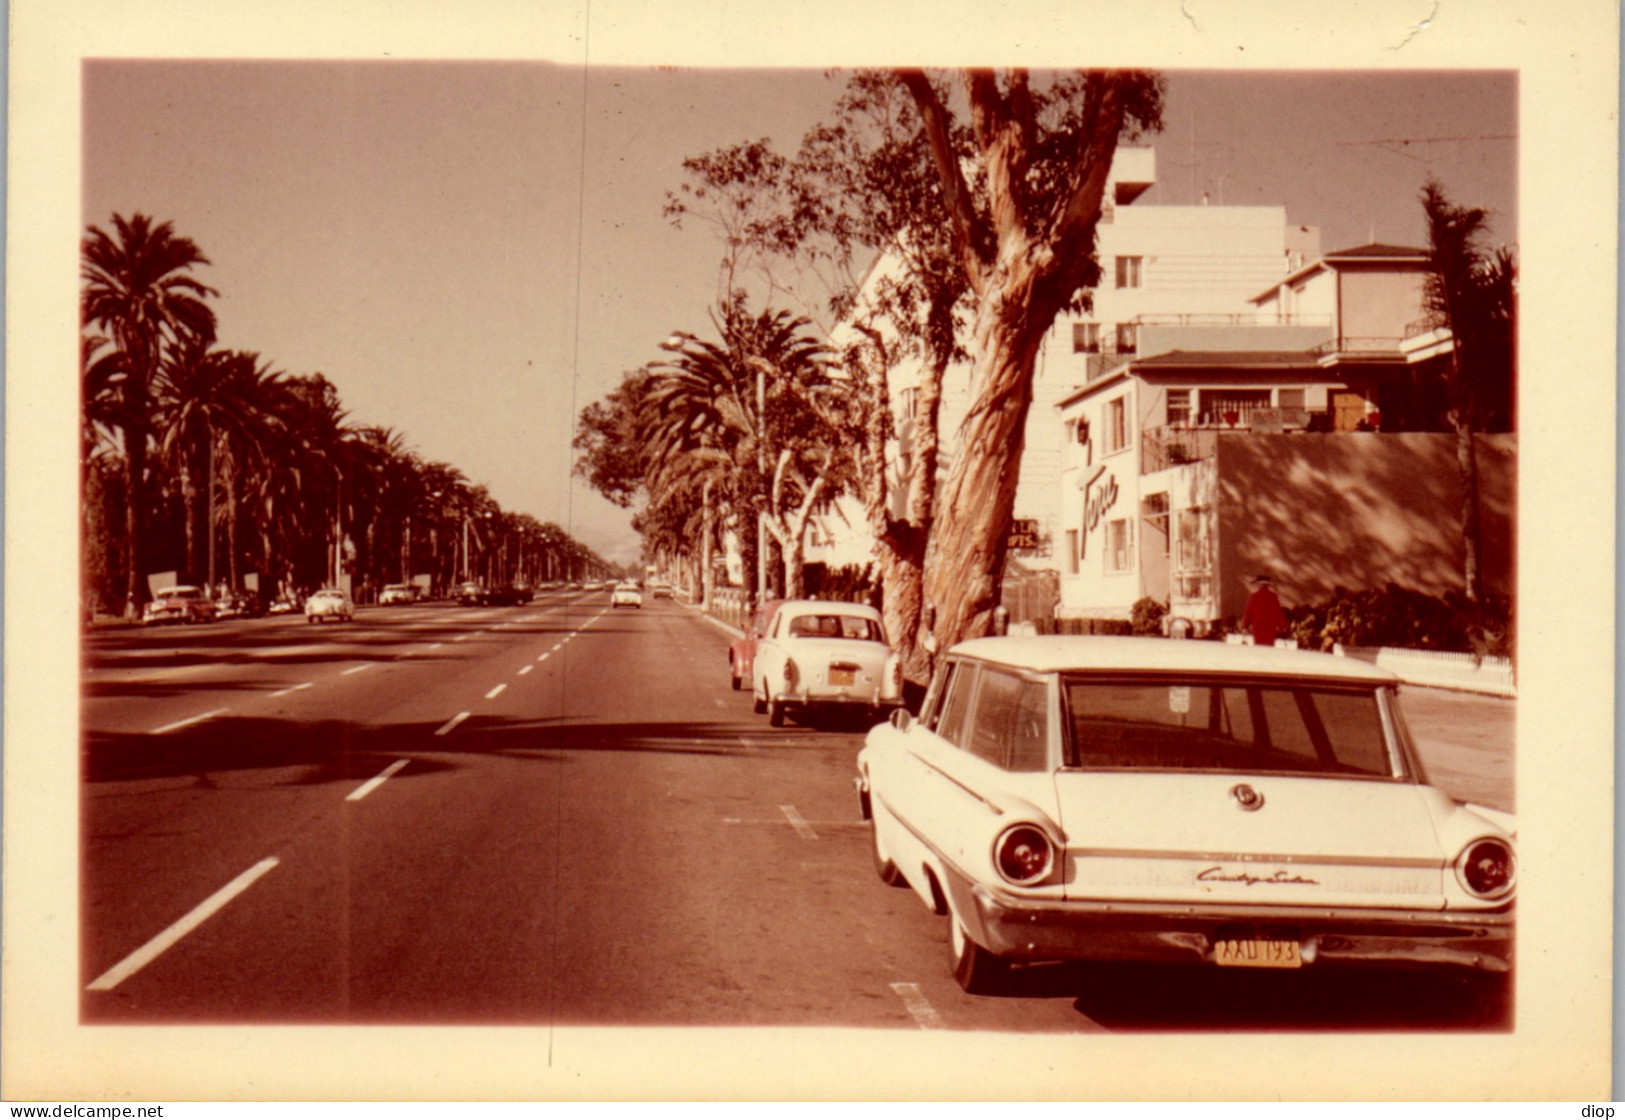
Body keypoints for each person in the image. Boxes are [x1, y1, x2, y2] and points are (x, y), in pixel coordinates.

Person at [1242, 574, 1287, 647]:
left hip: (1258, 628)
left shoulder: (1254, 597)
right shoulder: (1273, 597)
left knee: (1259, 648)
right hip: (1270, 628)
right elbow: (1279, 613)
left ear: (1259, 584)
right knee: (1269, 648)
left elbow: (1249, 613)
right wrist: (1282, 627)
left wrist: (1245, 625)